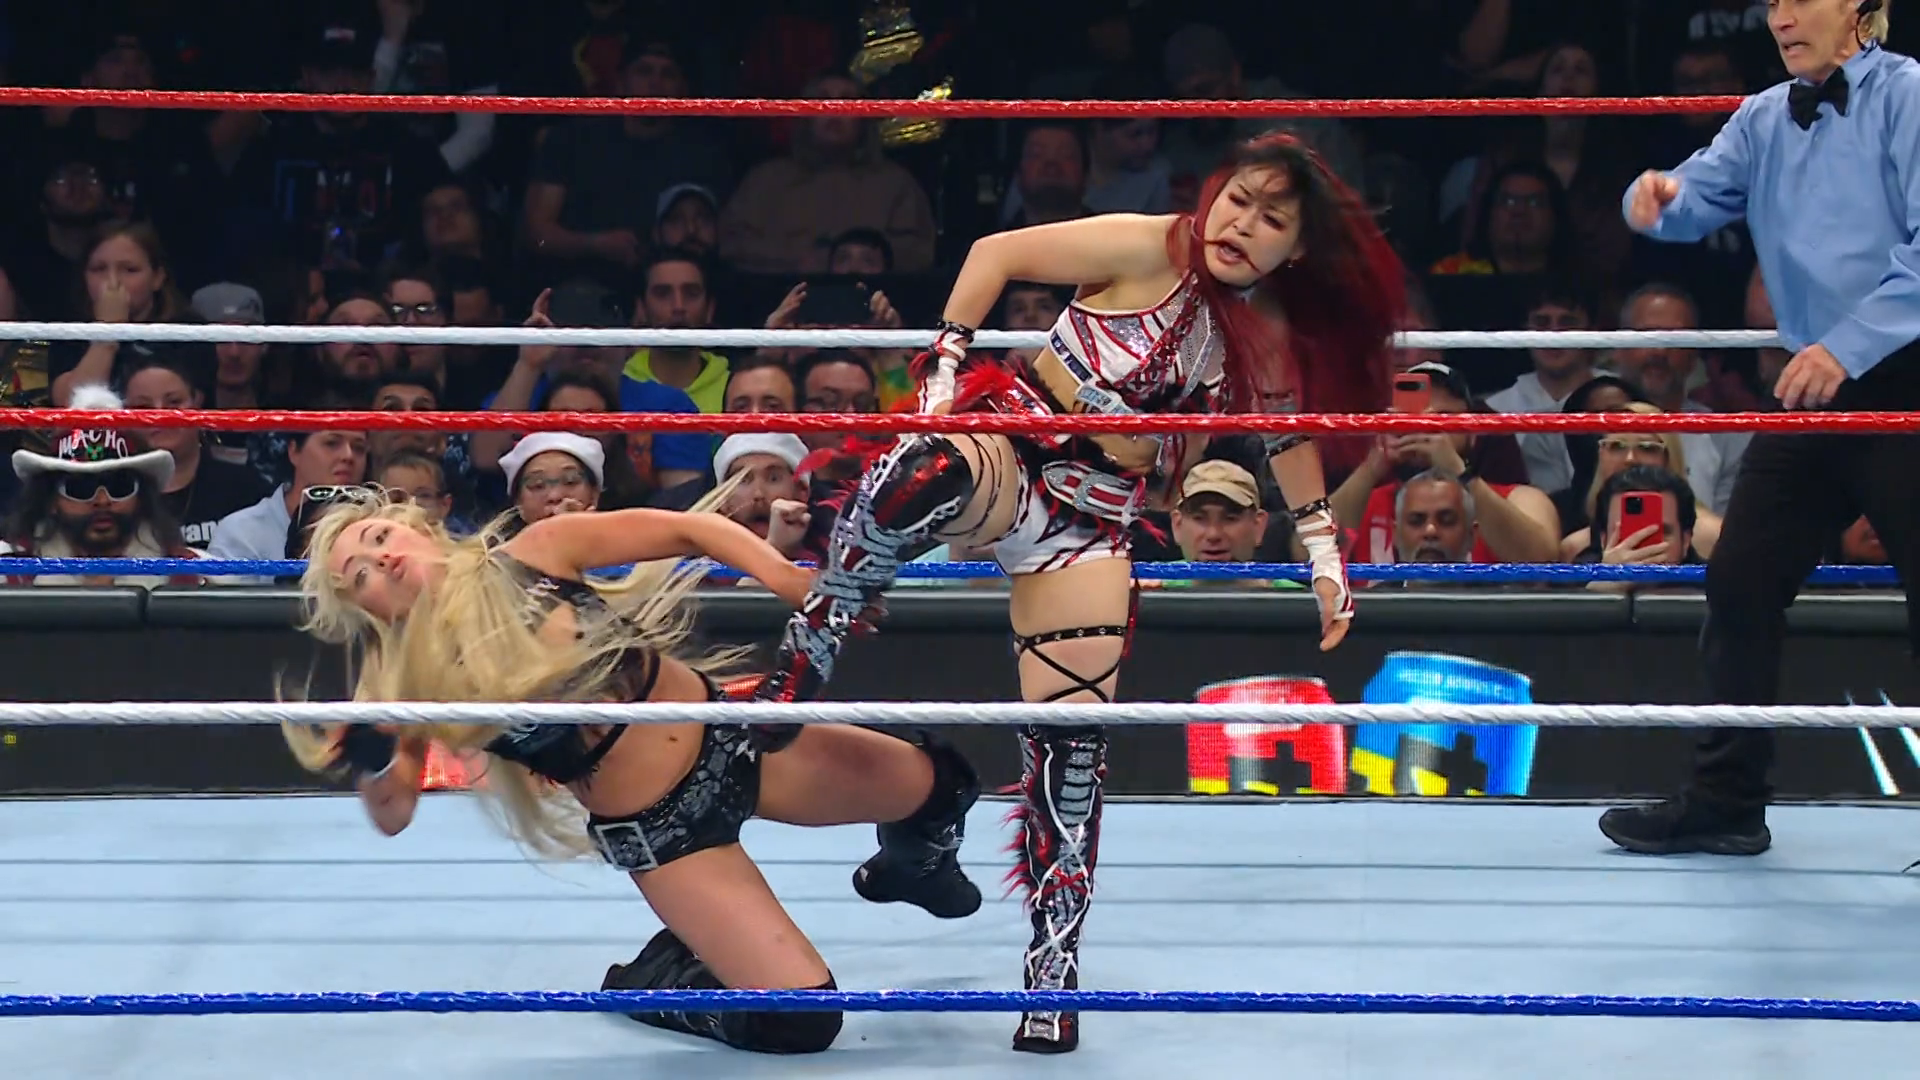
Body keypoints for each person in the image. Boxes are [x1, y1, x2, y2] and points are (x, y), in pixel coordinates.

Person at [752, 132, 1403, 1053]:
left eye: (1272, 219)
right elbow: (996, 254)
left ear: (1295, 249)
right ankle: (809, 650)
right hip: (1012, 451)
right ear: (1212, 196)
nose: (1242, 226)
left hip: (1093, 520)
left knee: (1073, 751)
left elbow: (1286, 436)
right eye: (1239, 201)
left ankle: (1052, 971)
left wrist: (1323, 552)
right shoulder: (1146, 243)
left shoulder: (1264, 337)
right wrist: (945, 365)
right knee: (918, 469)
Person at [280, 491, 983, 1055]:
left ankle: (913, 867)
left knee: (946, 782)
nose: (381, 561)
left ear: (418, 529)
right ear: (362, 610)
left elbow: (687, 530)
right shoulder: (404, 687)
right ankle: (661, 977)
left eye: (379, 538)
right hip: (668, 833)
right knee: (800, 1022)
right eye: (359, 575)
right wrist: (372, 759)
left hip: (738, 740)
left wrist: (790, 581)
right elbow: (394, 814)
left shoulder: (536, 552)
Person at [1605, 0, 1920, 856]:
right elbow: (1690, 197)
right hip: (1815, 388)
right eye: (1774, 1)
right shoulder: (1762, 116)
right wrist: (1650, 198)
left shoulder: (1907, 97)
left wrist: (1849, 347)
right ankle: (1727, 800)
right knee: (1740, 581)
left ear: (1861, 8)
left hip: (1904, 378)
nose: (1781, 16)